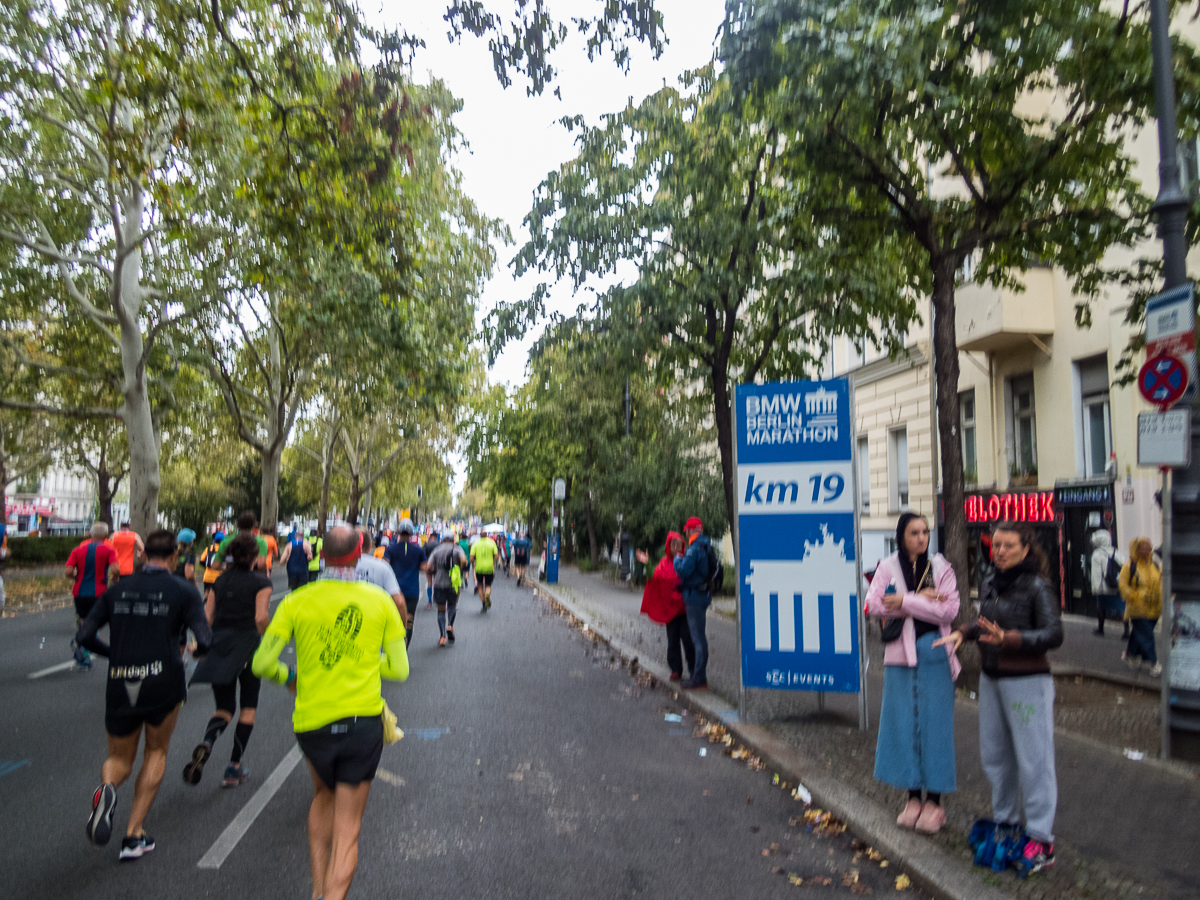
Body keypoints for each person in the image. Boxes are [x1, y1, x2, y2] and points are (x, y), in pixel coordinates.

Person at [251, 525, 408, 900]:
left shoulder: (296, 601)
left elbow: (262, 662)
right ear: (359, 557)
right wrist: (368, 662)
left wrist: (290, 674)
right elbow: (400, 670)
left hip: (312, 723)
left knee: (322, 794)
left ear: (321, 557)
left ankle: (318, 891)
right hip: (362, 724)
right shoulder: (379, 601)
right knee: (348, 827)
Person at [936, 521, 1063, 877]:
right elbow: (985, 625)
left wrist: (1010, 638)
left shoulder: (1038, 586)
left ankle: (1041, 838)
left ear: (1026, 549)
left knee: (1034, 759)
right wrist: (964, 631)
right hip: (992, 680)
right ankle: (1006, 823)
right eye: (998, 545)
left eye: (1009, 545)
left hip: (1027, 683)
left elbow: (1055, 634)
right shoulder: (992, 583)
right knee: (996, 756)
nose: (1001, 551)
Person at [78, 529, 211, 860]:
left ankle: (107, 790)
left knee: (119, 759)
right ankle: (133, 834)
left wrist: (114, 654)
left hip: (121, 679)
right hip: (163, 680)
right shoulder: (183, 590)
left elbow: (84, 635)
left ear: (141, 556)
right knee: (156, 752)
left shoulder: (117, 590)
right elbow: (205, 639)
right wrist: (194, 651)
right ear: (173, 558)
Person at [865, 513, 960, 835]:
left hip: (935, 653)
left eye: (925, 532)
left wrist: (905, 600)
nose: (922, 538)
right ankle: (912, 798)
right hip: (899, 657)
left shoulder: (941, 567)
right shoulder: (888, 566)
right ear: (901, 535)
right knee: (903, 727)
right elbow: (872, 605)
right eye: (914, 532)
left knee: (935, 728)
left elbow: (949, 610)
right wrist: (922, 601)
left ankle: (934, 801)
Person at [182, 533, 273, 788]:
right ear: (255, 557)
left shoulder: (220, 581)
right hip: (248, 647)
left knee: (224, 708)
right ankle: (233, 767)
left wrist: (201, 647)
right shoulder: (262, 583)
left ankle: (208, 742)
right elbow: (260, 618)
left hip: (220, 645)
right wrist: (271, 640)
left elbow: (207, 619)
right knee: (248, 708)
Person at [636, 532, 694, 681]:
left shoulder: (687, 561)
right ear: (668, 547)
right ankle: (676, 670)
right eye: (673, 544)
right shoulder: (663, 564)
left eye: (678, 545)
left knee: (688, 640)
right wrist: (647, 563)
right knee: (672, 640)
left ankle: (694, 670)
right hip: (670, 611)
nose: (676, 547)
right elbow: (653, 578)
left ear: (682, 546)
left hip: (686, 609)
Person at [66, 523, 120, 668]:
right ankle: (89, 649)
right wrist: (114, 581)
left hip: (80, 592)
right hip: (99, 592)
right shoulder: (109, 549)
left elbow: (68, 571)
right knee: (96, 622)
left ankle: (83, 652)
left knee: (84, 622)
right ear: (105, 536)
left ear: (90, 535)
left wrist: (77, 578)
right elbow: (115, 570)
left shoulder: (78, 550)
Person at [673, 516, 715, 691]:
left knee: (697, 639)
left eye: (687, 531)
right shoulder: (707, 546)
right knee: (699, 638)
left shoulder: (695, 548)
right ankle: (698, 676)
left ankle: (699, 678)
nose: (687, 534)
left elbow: (683, 570)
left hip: (695, 597)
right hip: (703, 594)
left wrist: (677, 558)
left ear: (691, 531)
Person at [1119, 536, 1163, 676]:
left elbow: (1162, 583)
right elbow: (1123, 586)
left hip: (1155, 608)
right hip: (1137, 608)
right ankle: (1154, 664)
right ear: (1137, 549)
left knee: (1140, 633)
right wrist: (1137, 595)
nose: (1148, 549)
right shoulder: (1129, 566)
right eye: (1144, 547)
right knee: (1147, 636)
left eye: (1149, 547)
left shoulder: (1155, 565)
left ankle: (1130, 654)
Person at [385, 518, 425, 647]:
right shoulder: (418, 551)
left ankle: (394, 647)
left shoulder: (390, 550)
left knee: (393, 619)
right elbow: (425, 568)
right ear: (412, 533)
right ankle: (404, 648)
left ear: (398, 532)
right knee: (409, 621)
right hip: (412, 590)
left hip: (394, 590)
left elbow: (385, 565)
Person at [354, 529, 407, 626]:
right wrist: (402, 629)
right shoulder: (383, 567)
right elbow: (399, 602)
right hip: (376, 622)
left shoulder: (338, 569)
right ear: (370, 546)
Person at [426, 530, 467, 647]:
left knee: (441, 609)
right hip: (453, 583)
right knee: (452, 605)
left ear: (443, 539)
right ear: (453, 539)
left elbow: (429, 566)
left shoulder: (436, 550)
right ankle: (450, 625)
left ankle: (442, 636)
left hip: (439, 583)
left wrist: (434, 571)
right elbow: (464, 560)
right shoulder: (457, 549)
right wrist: (459, 567)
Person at [1090, 530, 1127, 638]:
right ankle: (1126, 631)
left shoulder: (1096, 555)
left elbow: (1096, 574)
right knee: (1121, 608)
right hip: (1116, 586)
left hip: (1103, 587)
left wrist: (1096, 589)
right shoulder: (1115, 552)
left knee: (1101, 607)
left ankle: (1101, 629)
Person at [470, 531, 499, 612]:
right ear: (487, 535)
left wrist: (473, 564)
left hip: (479, 567)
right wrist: (494, 562)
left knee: (480, 585)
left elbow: (471, 557)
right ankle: (487, 594)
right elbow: (496, 556)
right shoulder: (492, 543)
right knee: (488, 584)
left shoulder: (475, 544)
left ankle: (483, 604)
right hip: (489, 567)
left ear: (480, 536)